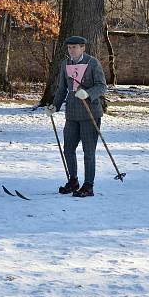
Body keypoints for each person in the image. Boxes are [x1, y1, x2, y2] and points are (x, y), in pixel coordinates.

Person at [46, 35, 108, 197]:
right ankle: (73, 181)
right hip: (72, 113)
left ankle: (88, 185)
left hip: (90, 113)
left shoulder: (92, 63)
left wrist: (88, 93)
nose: (71, 50)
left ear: (83, 48)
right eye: (69, 47)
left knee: (88, 151)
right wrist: (55, 105)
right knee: (68, 149)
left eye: (75, 47)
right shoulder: (65, 64)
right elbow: (62, 88)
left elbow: (102, 86)